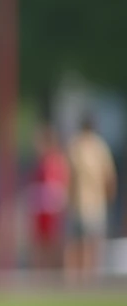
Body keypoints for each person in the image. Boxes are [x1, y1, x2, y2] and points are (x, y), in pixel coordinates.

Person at [65, 114, 117, 279]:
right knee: (90, 244)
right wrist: (109, 198)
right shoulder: (99, 146)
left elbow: (69, 177)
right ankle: (89, 277)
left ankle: (78, 278)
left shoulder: (76, 146)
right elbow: (110, 177)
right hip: (94, 203)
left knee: (78, 244)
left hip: (80, 202)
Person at [27, 124, 69, 271]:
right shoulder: (40, 163)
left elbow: (59, 187)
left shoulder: (56, 162)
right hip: (41, 211)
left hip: (52, 212)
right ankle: (41, 273)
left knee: (53, 245)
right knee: (39, 246)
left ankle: (53, 273)